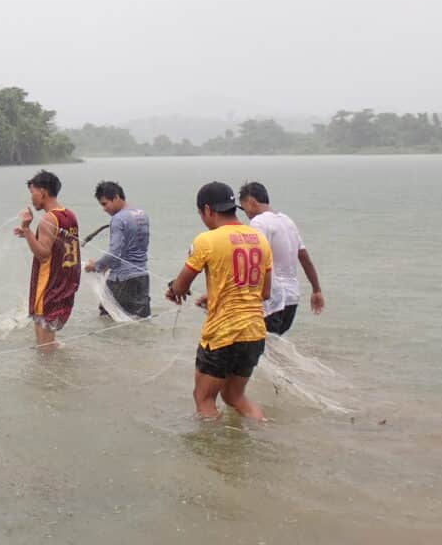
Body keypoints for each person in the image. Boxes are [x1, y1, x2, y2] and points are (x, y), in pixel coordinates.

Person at [165, 182, 272, 420]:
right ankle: (265, 429)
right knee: (235, 397)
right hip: (254, 333)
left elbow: (181, 286)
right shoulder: (260, 240)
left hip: (222, 335)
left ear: (207, 210)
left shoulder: (207, 240)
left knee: (204, 398)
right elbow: (264, 293)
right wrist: (215, 295)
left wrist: (174, 289)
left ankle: (215, 456)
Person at [238, 181, 324, 335]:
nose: (246, 214)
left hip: (273, 301)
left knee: (260, 350)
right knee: (272, 347)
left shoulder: (258, 222)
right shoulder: (287, 221)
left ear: (251, 202)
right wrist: (316, 289)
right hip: (292, 299)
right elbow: (304, 258)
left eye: (244, 208)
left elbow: (255, 260)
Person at [14, 170, 81, 351]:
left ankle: (49, 376)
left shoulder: (47, 219)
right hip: (65, 285)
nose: (32, 198)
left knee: (45, 348)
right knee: (50, 342)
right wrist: (30, 236)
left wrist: (27, 229)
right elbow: (57, 245)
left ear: (43, 192)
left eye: (33, 193)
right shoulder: (69, 215)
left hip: (49, 286)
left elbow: (43, 254)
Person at [83, 181, 151, 318]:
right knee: (140, 321)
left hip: (121, 280)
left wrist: (95, 266)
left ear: (116, 197)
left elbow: (114, 254)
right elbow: (132, 249)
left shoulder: (118, 219)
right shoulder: (142, 214)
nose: (104, 209)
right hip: (142, 277)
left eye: (105, 203)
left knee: (108, 319)